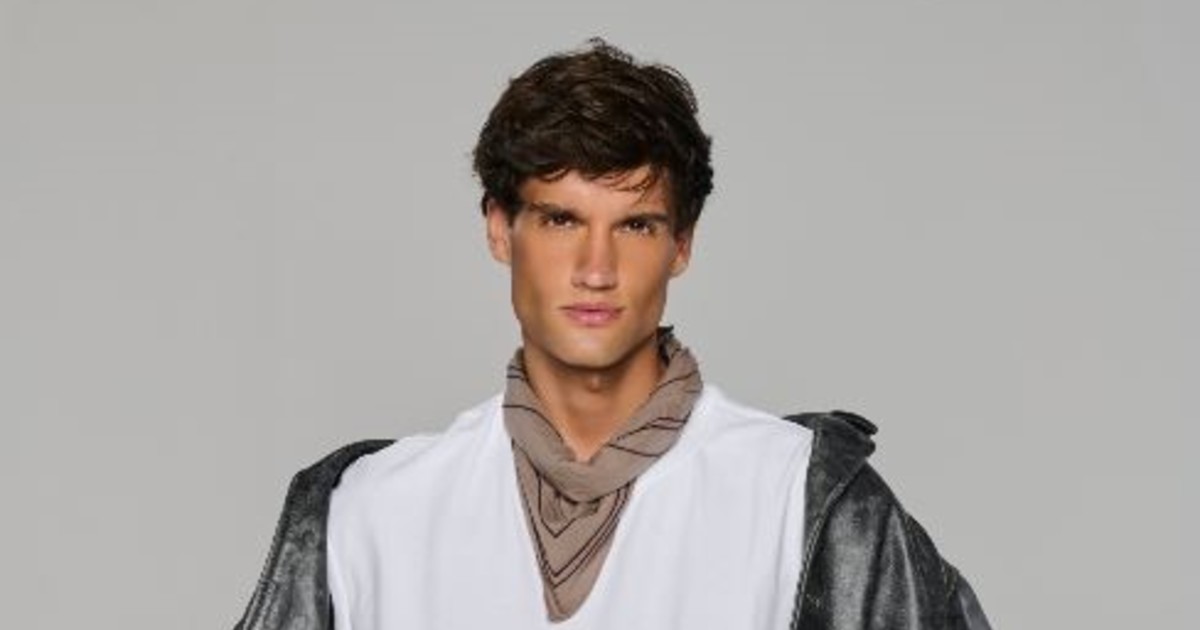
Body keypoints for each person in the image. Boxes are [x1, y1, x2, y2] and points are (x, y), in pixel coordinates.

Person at [233, 39, 991, 630]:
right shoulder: (369, 513)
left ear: (681, 244)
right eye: (561, 220)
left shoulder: (804, 504)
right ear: (499, 228)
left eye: (635, 225)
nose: (596, 269)